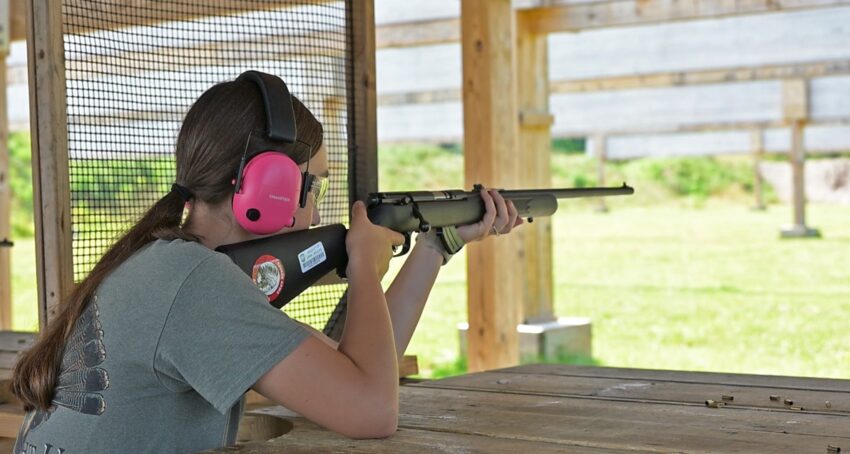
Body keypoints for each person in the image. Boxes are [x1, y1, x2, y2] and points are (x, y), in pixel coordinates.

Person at [11, 72, 522, 453]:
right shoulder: (194, 284)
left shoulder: (166, 266)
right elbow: (370, 411)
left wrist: (435, 246)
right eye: (313, 183)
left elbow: (351, 370)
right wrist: (364, 267)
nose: (319, 207)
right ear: (271, 185)